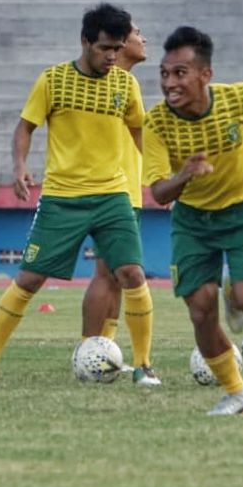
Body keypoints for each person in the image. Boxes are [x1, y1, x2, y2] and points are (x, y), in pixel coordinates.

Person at [0, 3, 160, 387]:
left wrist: (154, 173)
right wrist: (19, 166)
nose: (112, 56)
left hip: (112, 196)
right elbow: (25, 127)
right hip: (61, 198)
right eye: (105, 48)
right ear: (85, 41)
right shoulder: (52, 80)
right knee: (29, 280)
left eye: (118, 48)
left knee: (131, 274)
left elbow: (138, 131)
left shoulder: (126, 85)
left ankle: (144, 365)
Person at [143, 26, 243, 415]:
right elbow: (159, 194)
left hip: (242, 213)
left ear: (205, 75)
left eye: (180, 73)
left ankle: (234, 292)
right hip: (192, 221)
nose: (170, 83)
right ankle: (236, 392)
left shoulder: (237, 99)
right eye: (164, 74)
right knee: (199, 309)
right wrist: (184, 174)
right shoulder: (156, 124)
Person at [81, 22, 147, 340]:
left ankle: (104, 348)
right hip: (111, 189)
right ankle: (91, 348)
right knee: (108, 273)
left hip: (127, 188)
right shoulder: (104, 84)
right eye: (137, 33)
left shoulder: (126, 84)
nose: (143, 39)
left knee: (117, 275)